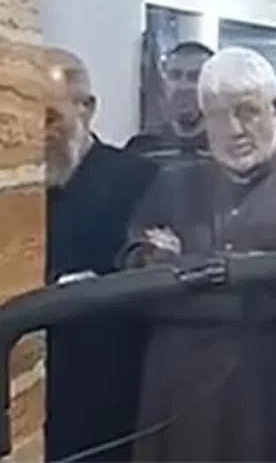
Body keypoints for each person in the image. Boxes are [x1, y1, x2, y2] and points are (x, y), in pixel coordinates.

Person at [123, 47, 276, 461]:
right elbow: (136, 267)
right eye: (218, 115)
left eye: (248, 112)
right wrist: (253, 268)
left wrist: (183, 264)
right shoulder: (170, 183)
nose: (234, 129)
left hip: (273, 380)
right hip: (177, 383)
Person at [43, 48, 158, 461]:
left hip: (108, 394)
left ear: (87, 108)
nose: (38, 134)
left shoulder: (141, 181)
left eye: (50, 118)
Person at [125, 41, 214, 169]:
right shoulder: (141, 148)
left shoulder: (227, 149)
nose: (182, 86)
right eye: (175, 75)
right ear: (164, 84)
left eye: (195, 77)